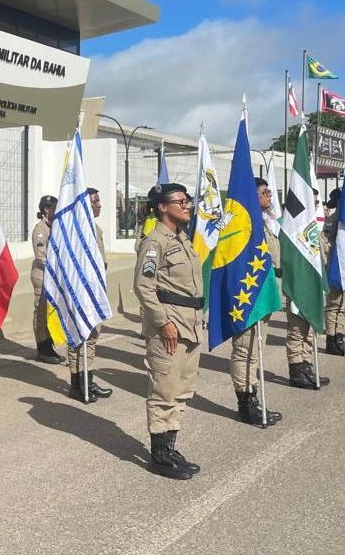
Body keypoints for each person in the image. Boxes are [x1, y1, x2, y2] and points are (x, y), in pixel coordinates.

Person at [134, 183, 203, 480]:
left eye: (187, 201)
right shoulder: (155, 242)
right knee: (163, 390)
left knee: (181, 390)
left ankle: (170, 446)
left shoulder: (182, 239)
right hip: (169, 326)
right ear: (163, 207)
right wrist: (163, 322)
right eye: (181, 201)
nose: (187, 205)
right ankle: (159, 455)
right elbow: (144, 286)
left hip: (190, 323)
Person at [227, 178, 283, 426]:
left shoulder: (265, 224)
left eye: (269, 191)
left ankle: (253, 398)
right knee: (244, 350)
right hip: (247, 295)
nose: (270, 195)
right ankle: (245, 402)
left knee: (254, 351)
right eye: (264, 192)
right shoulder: (243, 227)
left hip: (264, 292)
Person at [63, 188, 113, 403]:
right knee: (78, 337)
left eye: (99, 201)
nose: (99, 205)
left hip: (95, 290)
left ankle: (87, 380)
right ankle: (77, 384)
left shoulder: (96, 228)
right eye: (95, 202)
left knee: (91, 338)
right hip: (80, 292)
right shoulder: (75, 231)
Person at [285, 188, 331, 390]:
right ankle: (296, 370)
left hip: (312, 285)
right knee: (296, 332)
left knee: (309, 328)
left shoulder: (314, 227)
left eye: (317, 201)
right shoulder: (290, 227)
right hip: (298, 284)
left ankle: (307, 366)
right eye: (311, 201)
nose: (315, 204)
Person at [31, 195, 65, 365]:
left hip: (54, 275)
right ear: (46, 209)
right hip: (42, 275)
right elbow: (41, 255)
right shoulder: (40, 229)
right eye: (53, 207)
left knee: (52, 310)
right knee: (41, 311)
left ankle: (49, 345)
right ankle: (42, 348)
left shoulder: (55, 227)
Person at [322, 189, 345, 356]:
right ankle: (331, 339)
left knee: (342, 306)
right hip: (334, 267)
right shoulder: (332, 220)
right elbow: (327, 245)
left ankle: (339, 338)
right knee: (334, 305)